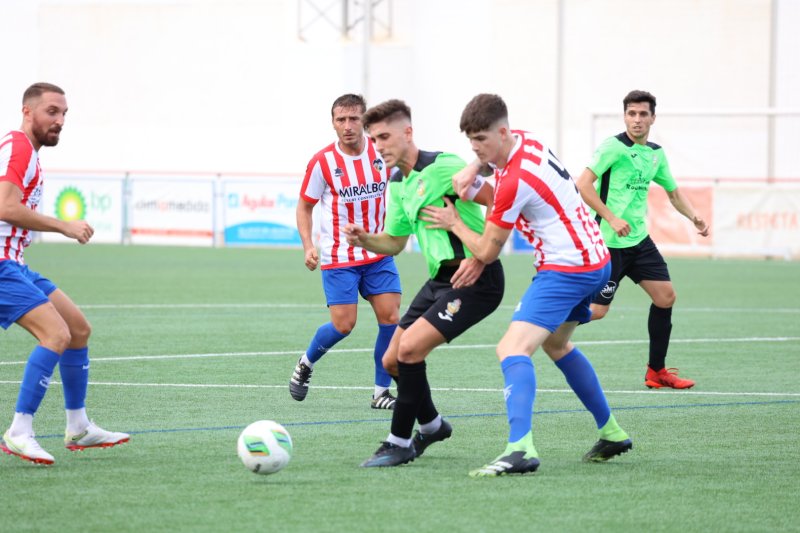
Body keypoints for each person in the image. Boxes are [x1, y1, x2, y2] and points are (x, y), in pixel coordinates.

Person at [422, 93, 632, 477]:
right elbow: (490, 160)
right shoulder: (527, 139)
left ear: (502, 133)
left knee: (511, 348)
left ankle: (520, 448)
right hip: (595, 258)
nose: (476, 148)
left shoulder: (513, 183)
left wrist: (454, 222)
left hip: (567, 269)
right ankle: (612, 432)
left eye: (481, 140)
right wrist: (474, 166)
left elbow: (487, 250)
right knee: (556, 344)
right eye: (470, 142)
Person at [343, 99, 504, 467]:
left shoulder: (443, 166)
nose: (379, 145)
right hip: (440, 280)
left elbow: (497, 199)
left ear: (408, 132)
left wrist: (480, 254)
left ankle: (398, 442)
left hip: (477, 278)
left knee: (410, 350)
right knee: (392, 361)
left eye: (385, 136)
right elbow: (396, 243)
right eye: (374, 139)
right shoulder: (398, 184)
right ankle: (432, 426)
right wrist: (366, 238)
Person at [0, 82, 129, 466]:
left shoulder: (28, 152)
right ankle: (20, 431)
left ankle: (78, 426)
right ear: (28, 111)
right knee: (55, 334)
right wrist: (64, 226)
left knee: (77, 328)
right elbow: (5, 206)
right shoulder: (20, 146)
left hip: (14, 262)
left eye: (64, 114)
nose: (59, 121)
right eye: (51, 112)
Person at [575, 90, 709, 390]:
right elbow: (582, 184)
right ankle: (546, 320)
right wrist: (610, 217)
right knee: (597, 311)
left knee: (665, 297)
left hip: (639, 242)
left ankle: (656, 371)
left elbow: (673, 192)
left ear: (652, 118)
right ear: (624, 116)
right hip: (608, 242)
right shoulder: (613, 147)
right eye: (632, 114)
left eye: (643, 114)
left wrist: (694, 217)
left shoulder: (655, 154)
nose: (637, 120)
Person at [292, 94, 401, 410]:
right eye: (341, 119)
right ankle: (306, 362)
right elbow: (304, 207)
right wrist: (309, 245)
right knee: (343, 325)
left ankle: (381, 392)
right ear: (333, 123)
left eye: (354, 119)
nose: (348, 126)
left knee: (391, 318)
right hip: (340, 258)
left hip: (379, 253)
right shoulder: (323, 162)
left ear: (364, 121)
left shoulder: (382, 152)